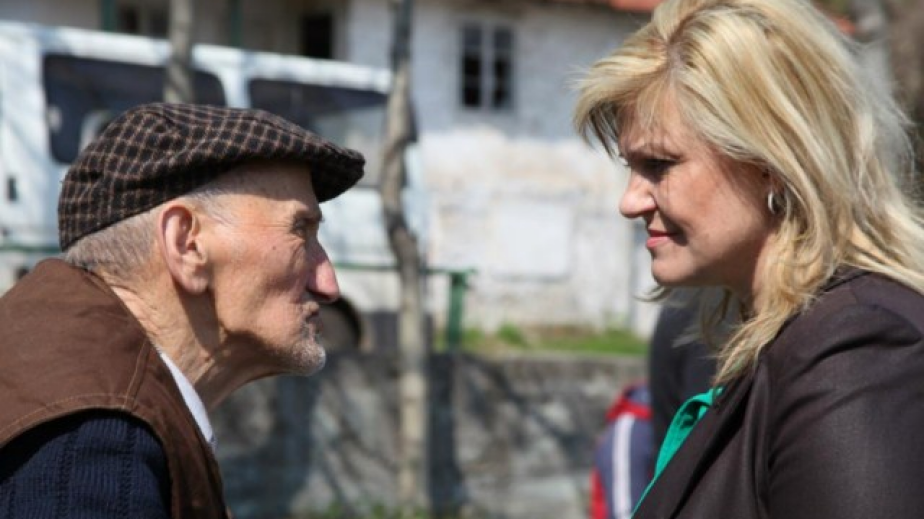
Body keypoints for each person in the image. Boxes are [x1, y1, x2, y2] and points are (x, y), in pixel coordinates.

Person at [574, 0, 924, 517]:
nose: (630, 201)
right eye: (632, 166)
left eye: (660, 165)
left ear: (772, 163)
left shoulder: (853, 351)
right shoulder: (786, 339)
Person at [0, 103, 365, 517]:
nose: (328, 285)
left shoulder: (81, 399)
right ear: (187, 244)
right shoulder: (95, 442)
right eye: (301, 230)